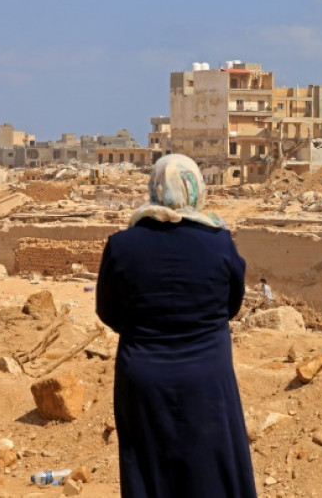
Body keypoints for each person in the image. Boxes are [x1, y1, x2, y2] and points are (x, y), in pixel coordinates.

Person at [96, 154, 257, 498]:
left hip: (143, 378)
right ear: (195, 186)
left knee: (148, 467)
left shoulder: (122, 245)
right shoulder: (219, 243)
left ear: (154, 188)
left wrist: (144, 327)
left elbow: (107, 311)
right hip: (207, 378)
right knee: (212, 466)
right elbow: (232, 305)